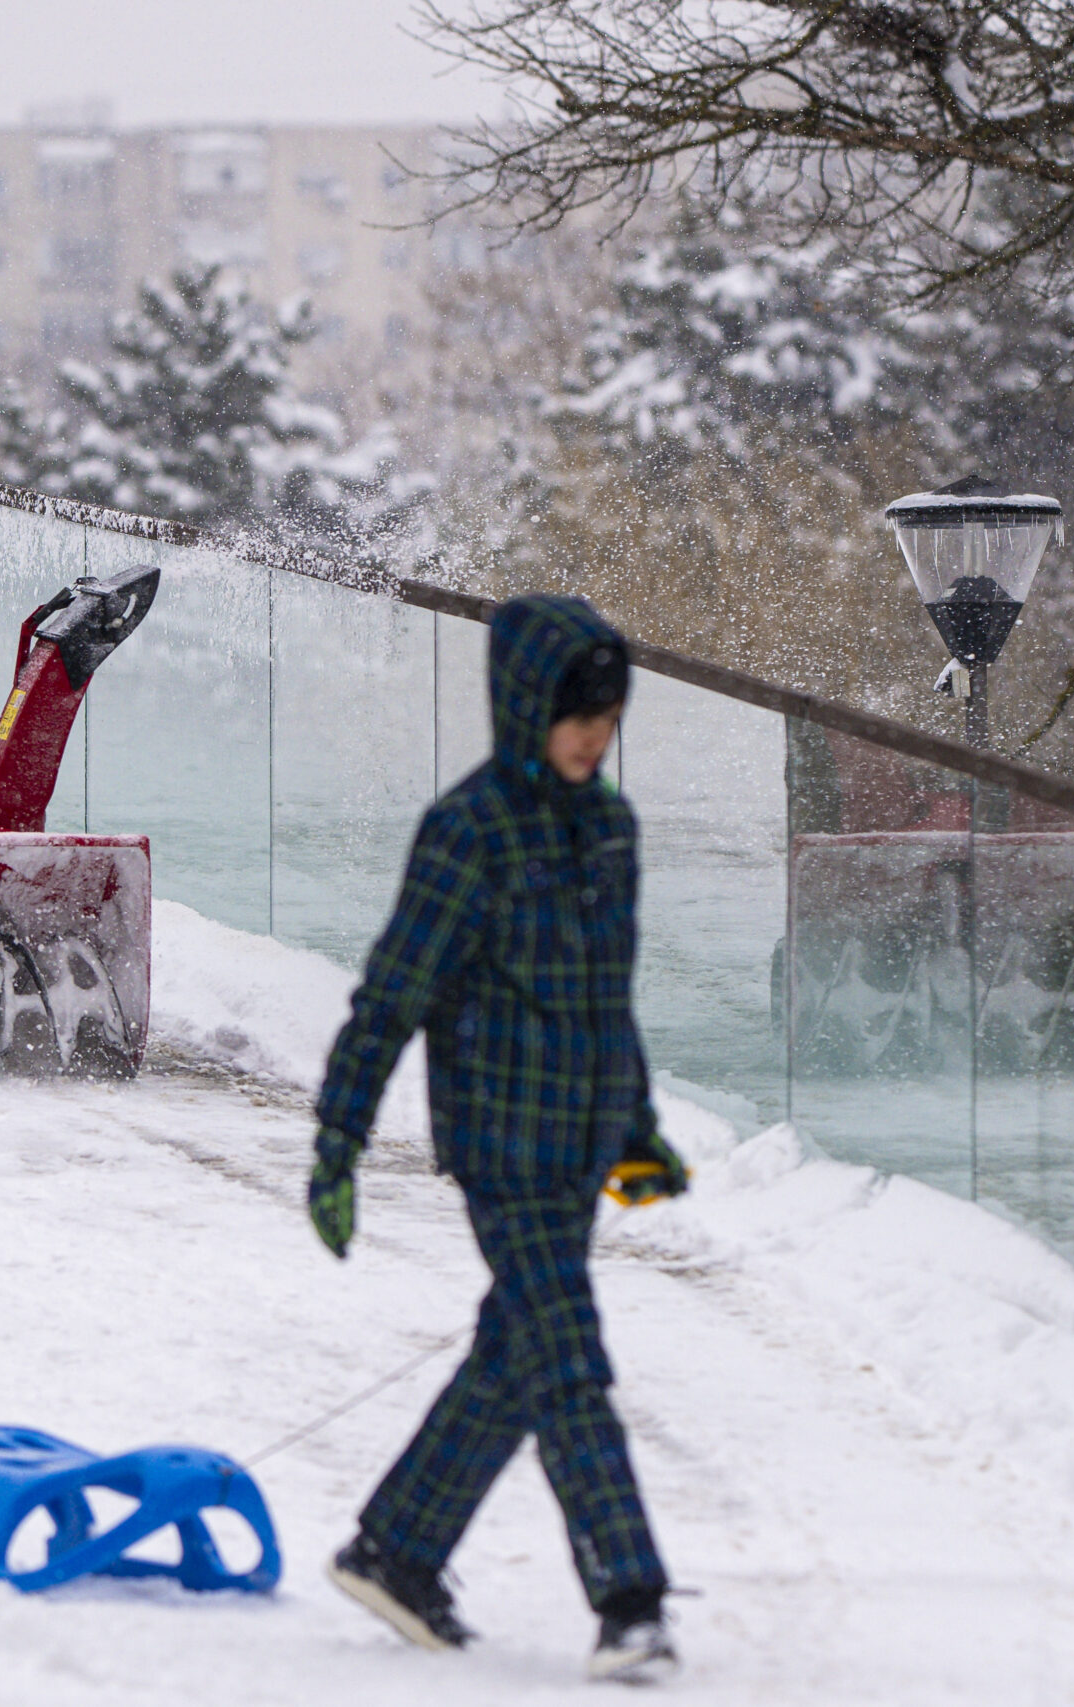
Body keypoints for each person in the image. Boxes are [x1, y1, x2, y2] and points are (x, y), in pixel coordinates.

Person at [308, 593, 690, 1684]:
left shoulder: (610, 828)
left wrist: (638, 1125)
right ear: (525, 706)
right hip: (501, 1149)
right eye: (575, 717)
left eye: (607, 720)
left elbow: (607, 995)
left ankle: (396, 1550)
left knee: (516, 1356)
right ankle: (630, 1599)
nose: (590, 738)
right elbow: (389, 1000)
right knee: (568, 1364)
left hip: (578, 1140)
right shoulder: (467, 832)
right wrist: (337, 1146)